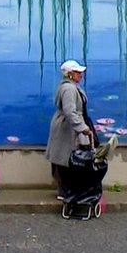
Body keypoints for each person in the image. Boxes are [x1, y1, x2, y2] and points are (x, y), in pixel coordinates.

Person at [45, 60, 94, 201]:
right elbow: (69, 111)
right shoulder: (69, 89)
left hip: (69, 126)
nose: (81, 75)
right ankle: (65, 191)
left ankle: (67, 190)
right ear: (70, 74)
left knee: (66, 157)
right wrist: (82, 128)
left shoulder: (69, 87)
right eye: (78, 72)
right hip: (67, 128)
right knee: (65, 158)